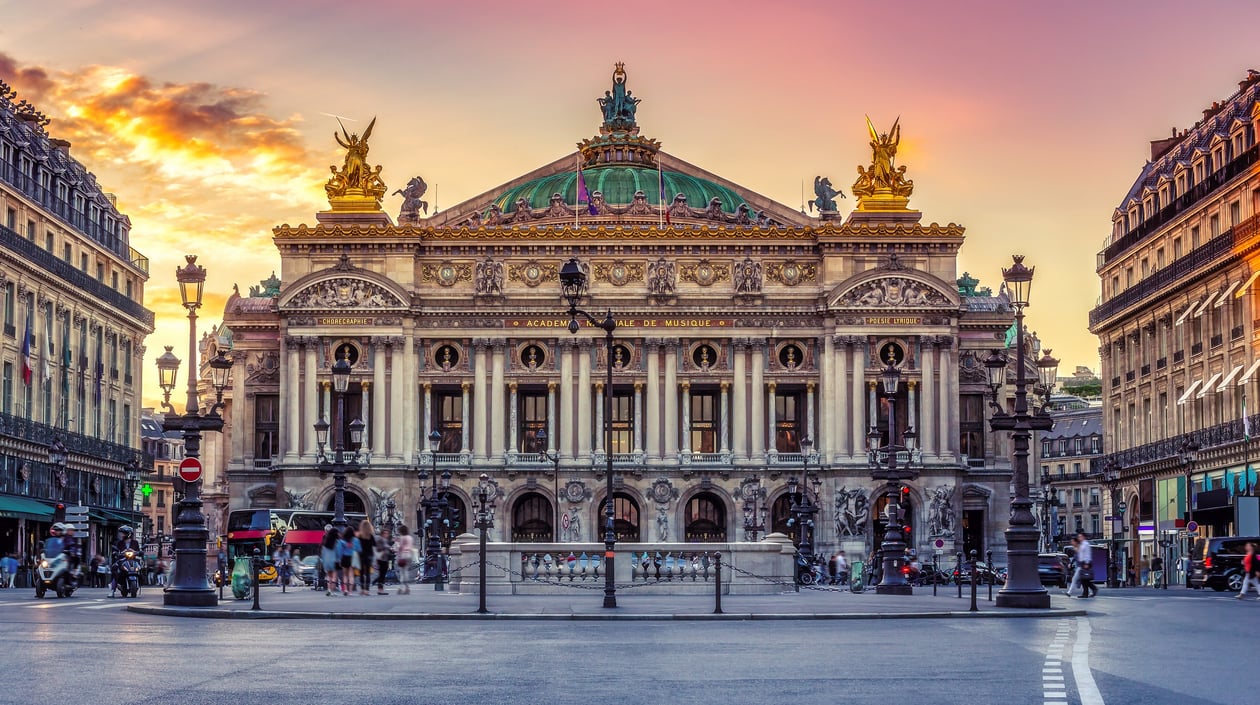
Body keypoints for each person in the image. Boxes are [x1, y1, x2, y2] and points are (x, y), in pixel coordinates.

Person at [394, 525, 414, 594]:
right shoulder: (410, 537)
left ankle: (401, 587)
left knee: (402, 572)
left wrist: (397, 543)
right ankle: (406, 587)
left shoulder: (403, 537)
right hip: (409, 554)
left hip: (403, 555)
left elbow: (400, 547)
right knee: (406, 570)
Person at [357, 520, 376, 596]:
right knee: (367, 573)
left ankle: (362, 589)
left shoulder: (360, 536)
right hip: (369, 555)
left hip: (361, 555)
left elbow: (357, 546)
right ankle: (367, 590)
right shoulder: (370, 536)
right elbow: (374, 545)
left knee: (361, 573)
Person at [1076, 533, 1097, 598]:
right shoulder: (1082, 544)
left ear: (1083, 537)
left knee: (1084, 579)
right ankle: (1089, 591)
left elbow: (1087, 554)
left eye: (1080, 537)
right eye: (1078, 537)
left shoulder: (1086, 544)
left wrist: (1087, 563)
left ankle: (1087, 592)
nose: (1079, 538)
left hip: (1086, 562)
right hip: (1082, 562)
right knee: (1084, 579)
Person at [320, 525, 339, 597]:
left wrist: (323, 560)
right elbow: (338, 552)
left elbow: (323, 553)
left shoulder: (325, 542)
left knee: (328, 576)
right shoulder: (336, 542)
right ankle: (333, 591)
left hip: (327, 561)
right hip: (334, 560)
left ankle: (329, 590)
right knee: (334, 576)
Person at [373, 527, 392, 595]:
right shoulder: (380, 539)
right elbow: (378, 547)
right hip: (381, 558)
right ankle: (380, 589)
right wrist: (387, 547)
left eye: (387, 533)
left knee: (382, 574)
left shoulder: (384, 540)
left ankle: (380, 588)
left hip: (384, 558)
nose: (386, 534)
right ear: (382, 533)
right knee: (382, 574)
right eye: (385, 533)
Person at [339, 526, 357, 596]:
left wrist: (340, 559)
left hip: (344, 557)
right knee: (351, 575)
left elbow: (340, 550)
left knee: (345, 575)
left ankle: (345, 589)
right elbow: (358, 549)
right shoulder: (355, 540)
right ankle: (350, 591)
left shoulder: (342, 540)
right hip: (352, 557)